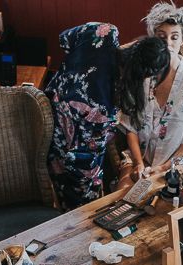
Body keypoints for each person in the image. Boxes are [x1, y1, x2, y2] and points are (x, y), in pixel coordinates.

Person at [46, 23, 170, 210]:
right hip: (69, 154)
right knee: (85, 209)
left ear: (137, 43)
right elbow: (91, 157)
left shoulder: (102, 32)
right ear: (145, 76)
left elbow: (64, 39)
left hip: (44, 120)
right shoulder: (106, 108)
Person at [117, 2, 183, 188]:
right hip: (140, 159)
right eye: (161, 37)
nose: (168, 43)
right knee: (124, 198)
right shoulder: (142, 73)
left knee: (168, 208)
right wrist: (139, 163)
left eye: (174, 37)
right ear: (153, 38)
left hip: (177, 163)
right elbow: (131, 126)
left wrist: (164, 168)